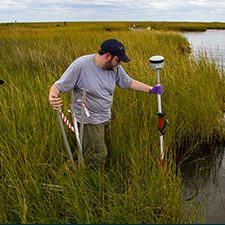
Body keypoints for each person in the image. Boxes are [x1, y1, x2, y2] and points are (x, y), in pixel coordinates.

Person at [49, 38, 163, 167]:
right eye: (118, 60)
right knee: (98, 155)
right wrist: (53, 96)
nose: (119, 64)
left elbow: (128, 82)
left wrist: (151, 89)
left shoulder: (114, 69)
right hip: (89, 120)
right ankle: (90, 181)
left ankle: (83, 169)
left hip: (105, 117)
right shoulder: (80, 65)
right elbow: (58, 86)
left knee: (98, 150)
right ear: (107, 56)